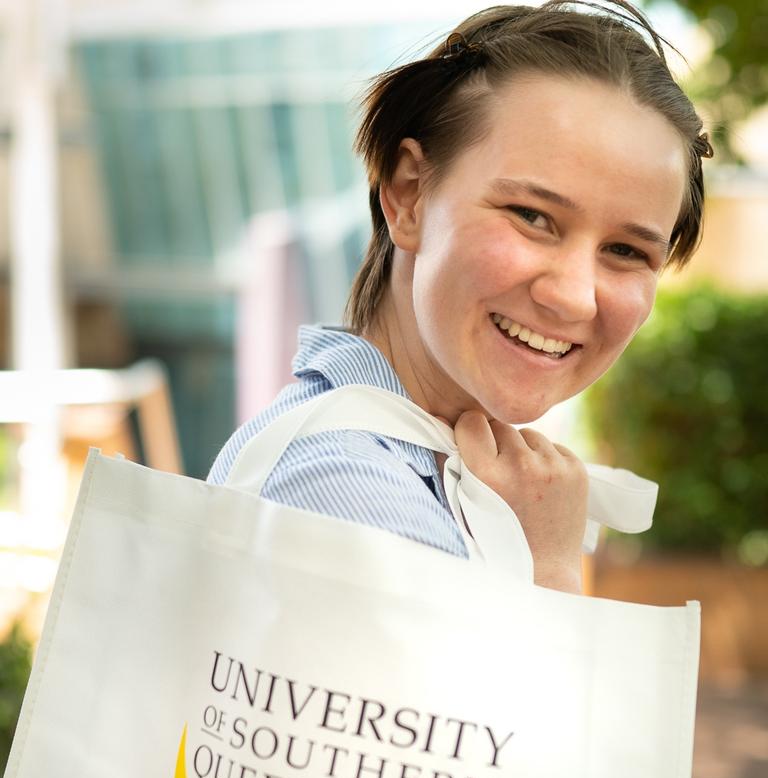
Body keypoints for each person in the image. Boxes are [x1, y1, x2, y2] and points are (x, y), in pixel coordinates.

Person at [208, 0, 712, 595]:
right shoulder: (347, 492)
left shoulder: (441, 467)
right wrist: (546, 570)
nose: (575, 298)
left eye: (627, 251)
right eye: (532, 216)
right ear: (409, 195)